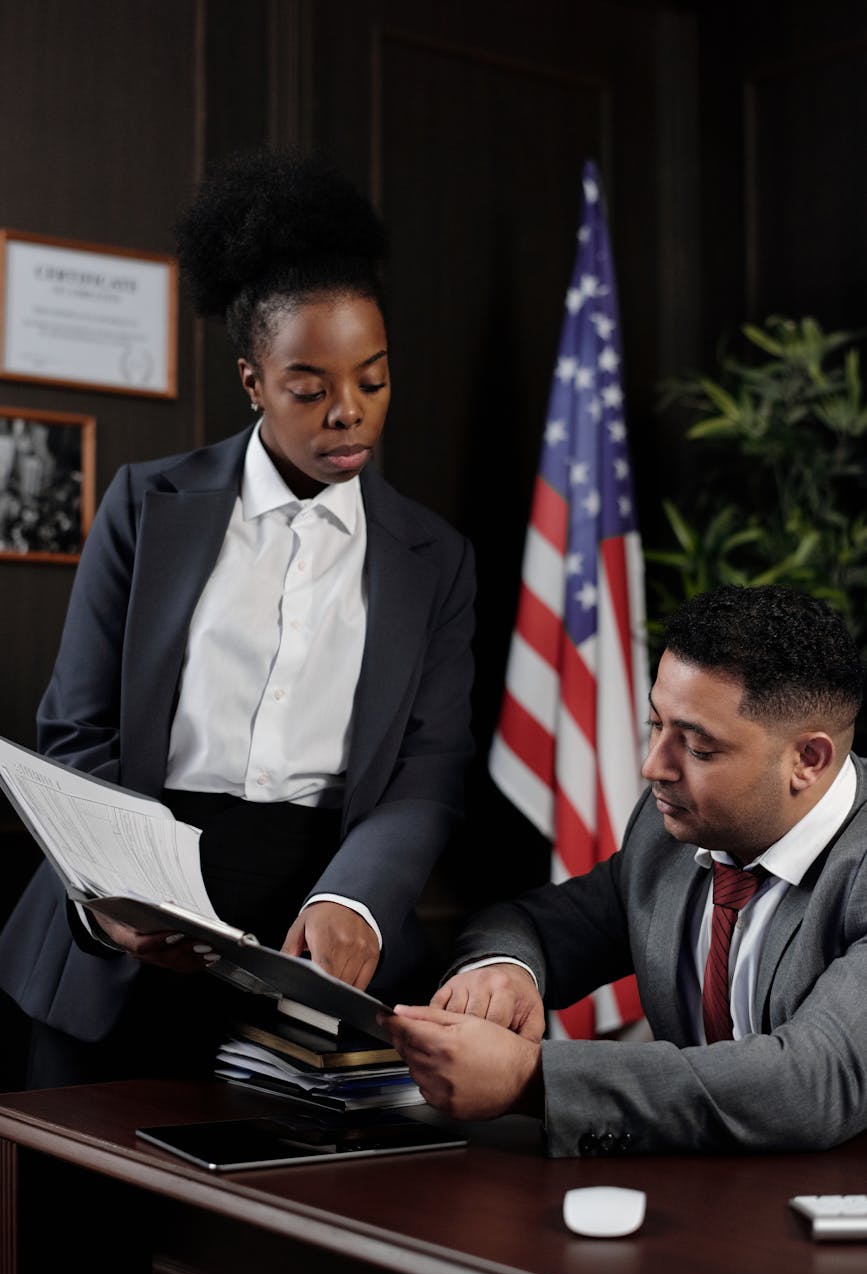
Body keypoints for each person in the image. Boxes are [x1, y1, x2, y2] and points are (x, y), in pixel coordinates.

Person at [0, 148, 475, 1087]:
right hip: (128, 924)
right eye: (311, 388)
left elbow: (428, 770)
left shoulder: (435, 559)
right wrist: (113, 894)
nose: (349, 414)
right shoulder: (146, 504)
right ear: (253, 380)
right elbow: (75, 728)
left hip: (314, 936)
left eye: (373, 380)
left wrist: (360, 903)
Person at [381, 584, 867, 1155]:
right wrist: (504, 972)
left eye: (699, 748)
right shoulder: (671, 831)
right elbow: (534, 925)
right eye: (656, 724)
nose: (653, 766)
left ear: (808, 760)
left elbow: (810, 1083)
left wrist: (532, 1079)